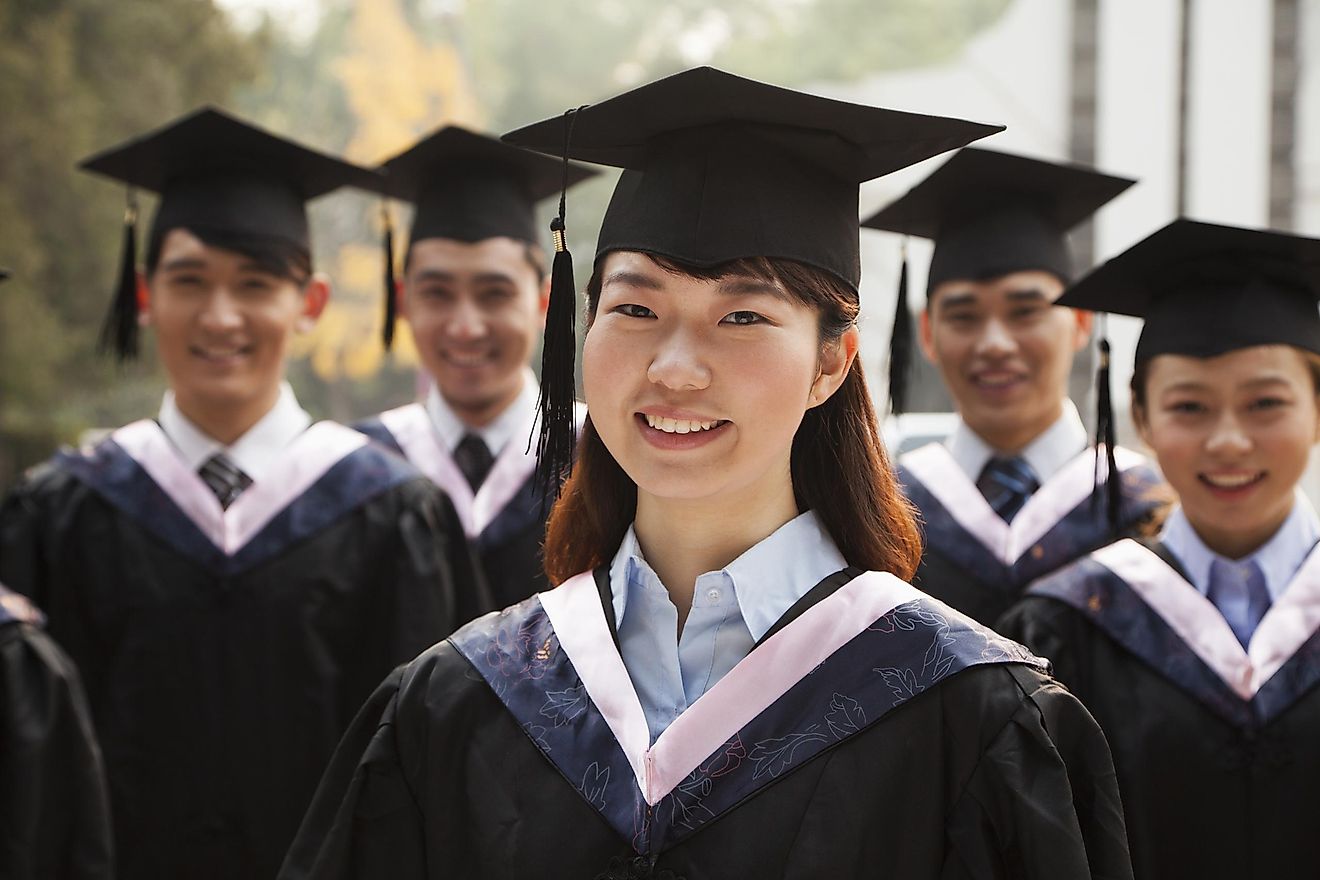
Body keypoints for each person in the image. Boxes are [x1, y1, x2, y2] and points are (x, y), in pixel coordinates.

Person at [280, 67, 1132, 880]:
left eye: (743, 315)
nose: (676, 368)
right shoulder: (460, 700)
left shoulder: (965, 716)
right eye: (637, 308)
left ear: (831, 363)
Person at [0, 108, 485, 880]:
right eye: (189, 281)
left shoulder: (391, 515)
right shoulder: (62, 512)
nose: (220, 316)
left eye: (255, 284)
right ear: (145, 292)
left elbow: (435, 776)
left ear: (310, 303)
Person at [999, 219, 1320, 880]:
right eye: (1190, 408)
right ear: (1140, 419)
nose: (1229, 441)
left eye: (1266, 403)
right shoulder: (1065, 627)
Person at [862, 148, 1164, 625]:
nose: (996, 343)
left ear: (1080, 322)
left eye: (1025, 312)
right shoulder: (878, 507)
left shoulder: (1147, 506)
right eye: (963, 316)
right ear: (927, 335)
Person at [356, 126, 595, 608]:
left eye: (495, 294)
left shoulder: (601, 453)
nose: (465, 327)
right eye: (437, 293)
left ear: (544, 299)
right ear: (402, 301)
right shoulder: (358, 467)